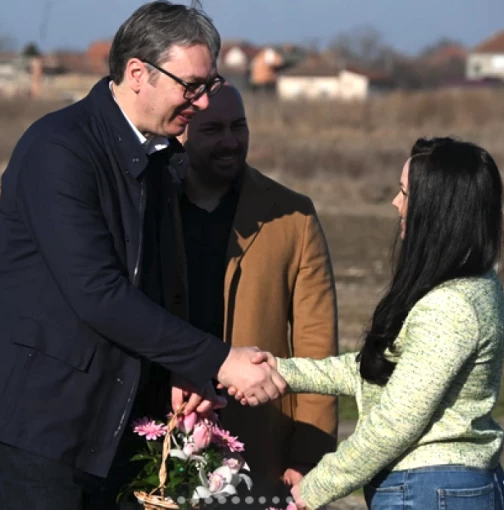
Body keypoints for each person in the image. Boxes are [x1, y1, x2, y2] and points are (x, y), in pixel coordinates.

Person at [0, 2, 285, 509]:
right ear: (137, 74)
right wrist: (219, 360)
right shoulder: (59, 150)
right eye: (191, 86)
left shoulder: (161, 158)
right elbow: (98, 293)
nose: (202, 103)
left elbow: (156, 286)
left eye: (210, 85)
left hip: (111, 425)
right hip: (38, 426)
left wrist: (182, 369)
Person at [239, 137, 504, 509]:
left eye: (405, 193)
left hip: (430, 491)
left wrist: (314, 487)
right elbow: (382, 371)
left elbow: (396, 422)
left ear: (437, 207)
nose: (395, 203)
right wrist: (280, 372)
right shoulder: (475, 284)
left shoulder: (450, 306)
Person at [177, 84, 338, 505]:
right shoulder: (150, 208)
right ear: (181, 130)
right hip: (160, 434)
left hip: (258, 447)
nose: (230, 141)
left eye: (239, 126)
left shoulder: (293, 216)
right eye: (212, 129)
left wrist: (310, 455)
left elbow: (317, 346)